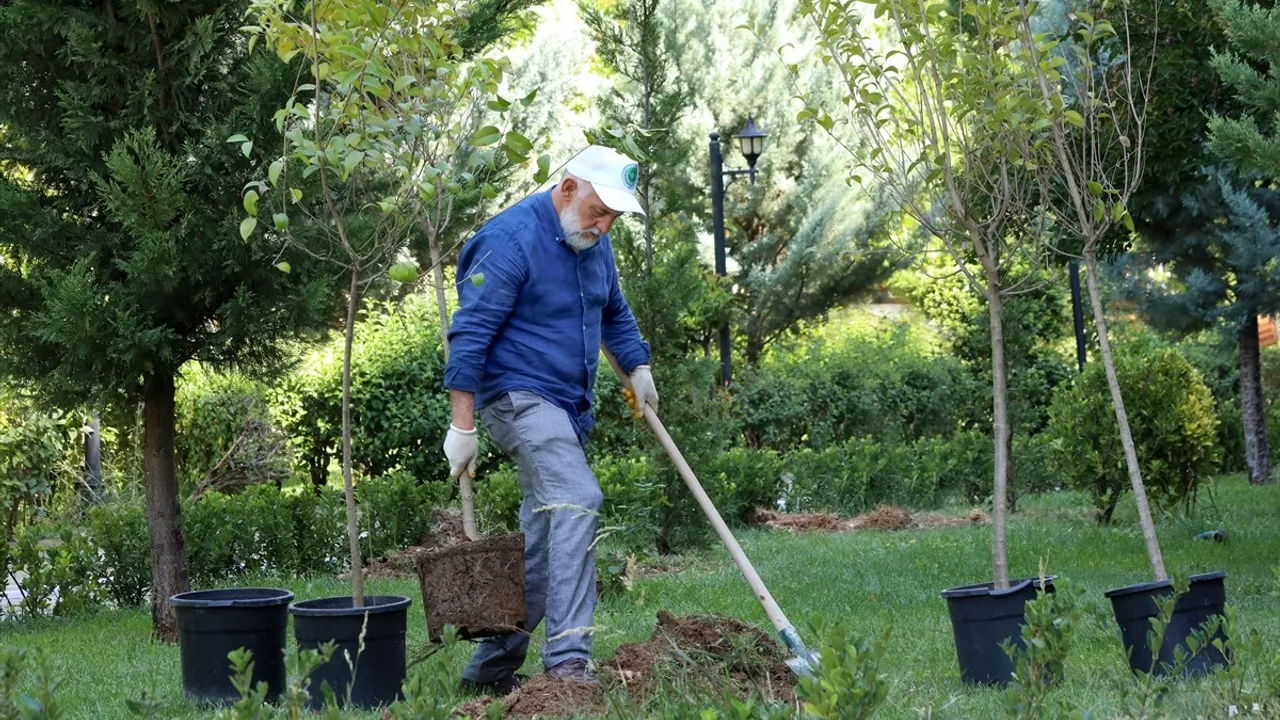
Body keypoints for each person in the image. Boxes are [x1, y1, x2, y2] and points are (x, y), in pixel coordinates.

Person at [442, 145, 658, 693]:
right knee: (578, 499)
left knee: (543, 540)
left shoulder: (591, 244)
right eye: (597, 211)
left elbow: (614, 311)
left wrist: (637, 367)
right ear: (567, 189)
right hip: (518, 400)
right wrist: (462, 427)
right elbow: (468, 337)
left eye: (613, 217)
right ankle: (567, 663)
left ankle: (488, 675)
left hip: (565, 409)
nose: (604, 226)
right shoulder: (508, 240)